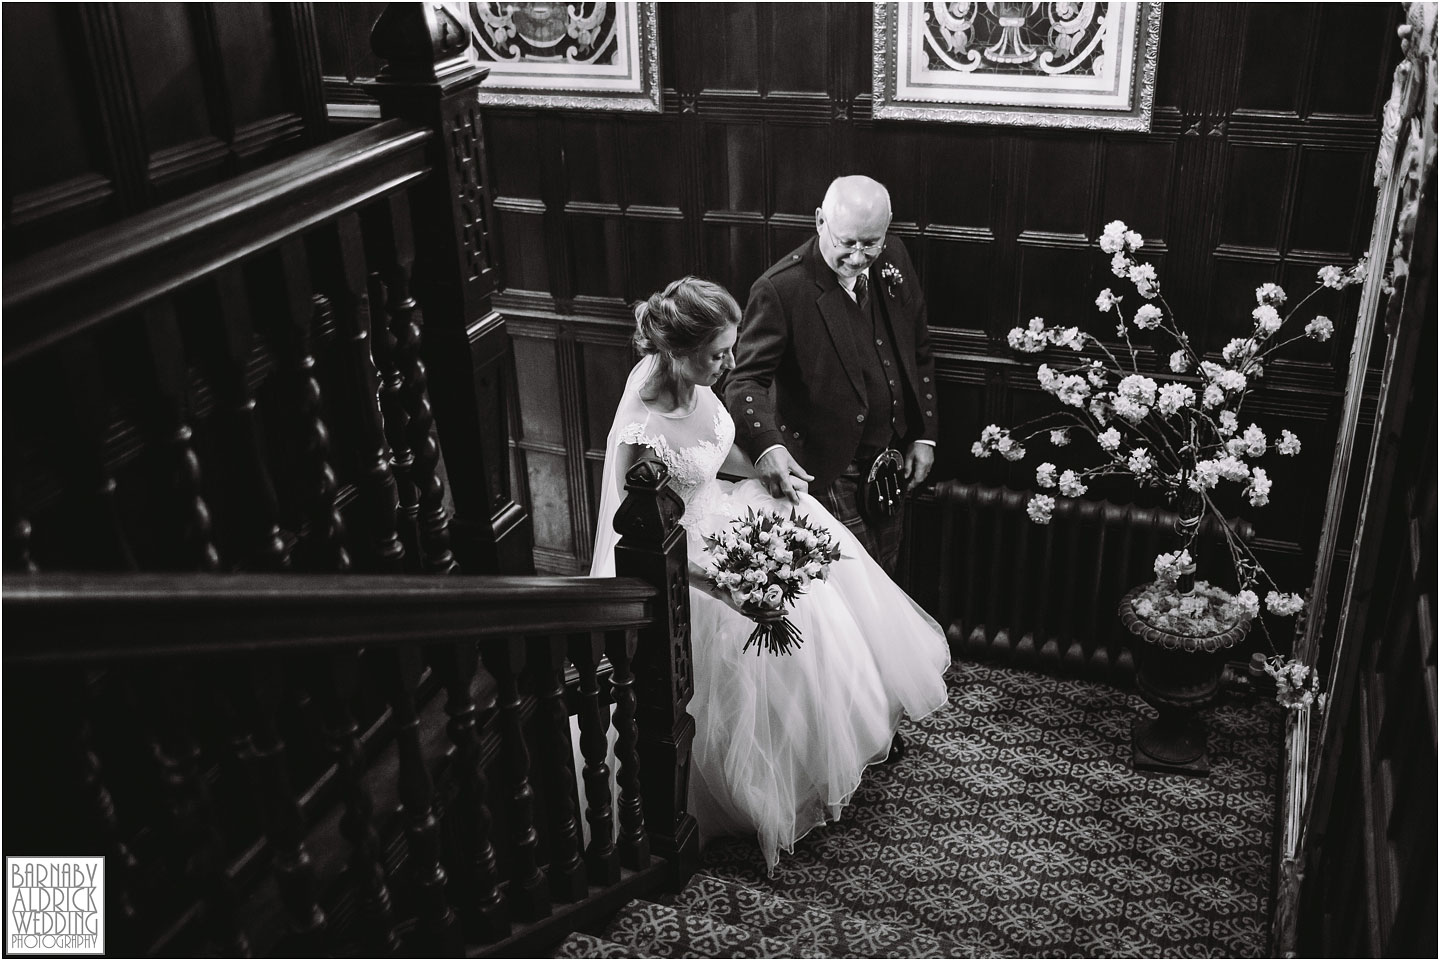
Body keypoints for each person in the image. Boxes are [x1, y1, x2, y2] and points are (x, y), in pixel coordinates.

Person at [590, 276, 949, 873]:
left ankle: (835, 749)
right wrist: (727, 588)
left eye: (731, 349)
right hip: (690, 564)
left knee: (823, 603)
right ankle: (762, 794)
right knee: (752, 673)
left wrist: (766, 466)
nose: (730, 363)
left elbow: (709, 448)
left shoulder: (692, 380)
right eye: (717, 354)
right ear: (676, 352)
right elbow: (644, 545)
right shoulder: (641, 431)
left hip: (729, 514)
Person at [725, 175, 938, 576]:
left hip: (891, 462)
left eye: (871, 243)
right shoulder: (780, 289)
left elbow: (918, 348)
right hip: (828, 472)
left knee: (887, 581)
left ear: (888, 228)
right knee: (853, 589)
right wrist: (767, 447)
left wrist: (924, 434)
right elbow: (743, 380)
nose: (858, 257)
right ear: (820, 221)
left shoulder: (896, 257)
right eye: (847, 243)